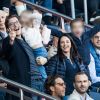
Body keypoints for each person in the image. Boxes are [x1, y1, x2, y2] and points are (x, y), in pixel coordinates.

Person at [2, 15, 45, 100]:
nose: (15, 25)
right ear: (7, 29)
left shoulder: (26, 41)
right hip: (29, 82)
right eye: (11, 24)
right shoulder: (7, 41)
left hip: (40, 81)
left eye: (17, 22)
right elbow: (7, 50)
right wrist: (11, 40)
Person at [20, 10, 51, 81]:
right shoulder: (24, 29)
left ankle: (45, 79)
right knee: (39, 67)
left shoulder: (35, 28)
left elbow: (38, 17)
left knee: (40, 67)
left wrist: (34, 12)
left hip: (40, 50)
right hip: (37, 50)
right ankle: (44, 79)